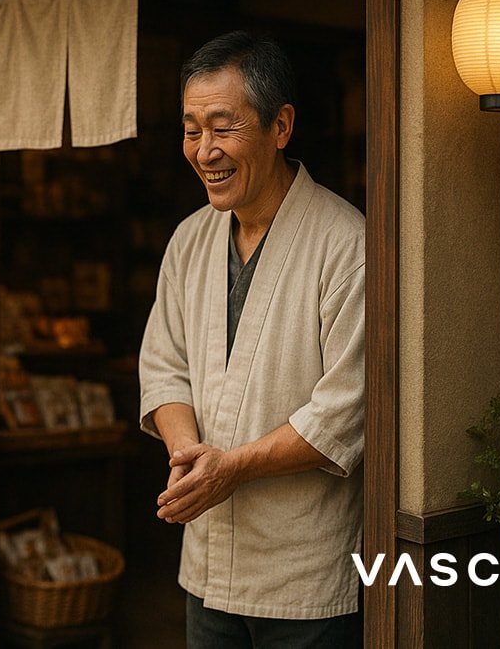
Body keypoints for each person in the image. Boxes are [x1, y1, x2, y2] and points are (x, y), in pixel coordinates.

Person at [138, 31, 365, 648]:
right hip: (206, 565)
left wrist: (231, 469)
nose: (203, 150)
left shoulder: (346, 243)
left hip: (306, 575)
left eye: (222, 127)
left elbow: (345, 410)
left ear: (281, 125)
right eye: (190, 129)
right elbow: (163, 366)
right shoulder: (189, 239)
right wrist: (189, 456)